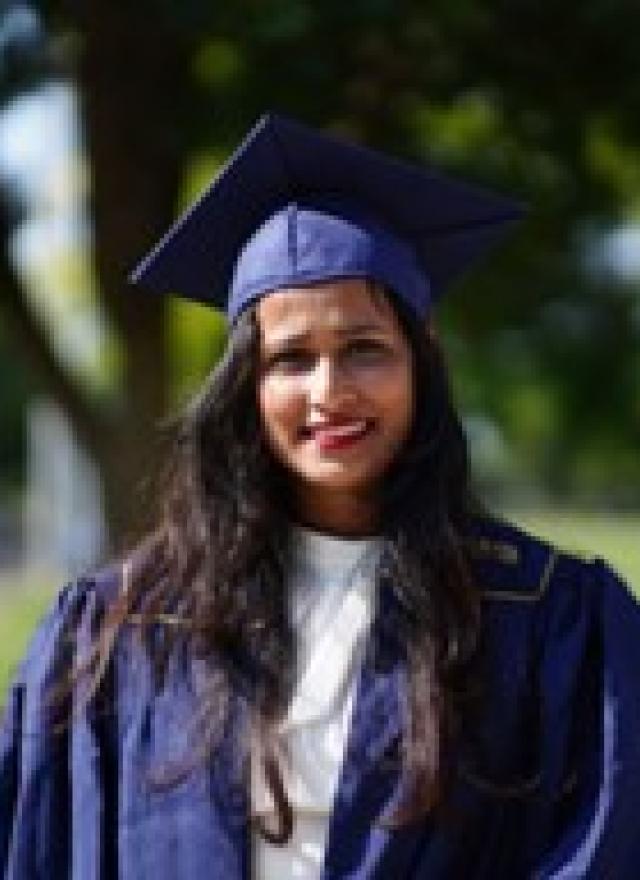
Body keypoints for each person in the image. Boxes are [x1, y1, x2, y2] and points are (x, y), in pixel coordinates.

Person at [1, 114, 639, 879]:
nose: (329, 392)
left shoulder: (544, 616)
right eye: (291, 359)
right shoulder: (127, 623)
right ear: (246, 386)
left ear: (421, 362)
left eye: (364, 350)